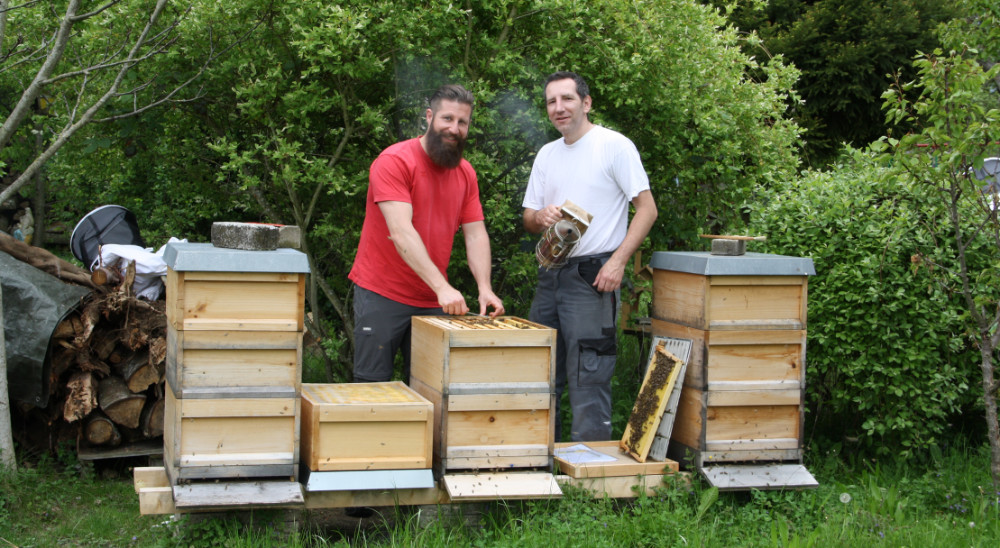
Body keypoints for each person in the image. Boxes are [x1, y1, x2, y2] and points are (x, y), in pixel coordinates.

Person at [522, 71, 658, 441]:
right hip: (550, 275)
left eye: (566, 99)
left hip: (593, 276)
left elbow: (647, 209)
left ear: (586, 102)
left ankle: (590, 477)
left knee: (589, 374)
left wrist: (618, 262)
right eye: (551, 101)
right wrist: (541, 216)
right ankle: (540, 463)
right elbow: (529, 218)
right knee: (540, 371)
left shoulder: (614, 146)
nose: (558, 108)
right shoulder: (547, 154)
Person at [349, 84, 505, 384]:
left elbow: (475, 234)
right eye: (447, 119)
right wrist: (443, 287)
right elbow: (401, 231)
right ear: (429, 116)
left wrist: (484, 287)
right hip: (382, 293)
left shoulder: (465, 173)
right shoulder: (395, 161)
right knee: (371, 389)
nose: (454, 128)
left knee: (431, 389)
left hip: (432, 299)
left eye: (462, 122)